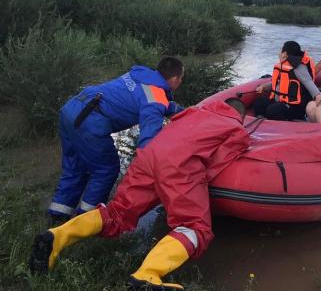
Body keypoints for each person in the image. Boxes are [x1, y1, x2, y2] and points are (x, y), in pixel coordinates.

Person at [29, 98, 250, 291]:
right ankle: (148, 274)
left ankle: (57, 237)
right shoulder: (235, 128)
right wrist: (188, 188)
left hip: (148, 157)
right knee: (195, 227)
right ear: (239, 116)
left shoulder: (192, 112)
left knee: (117, 212)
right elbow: (216, 166)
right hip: (179, 167)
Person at [48, 57, 185, 223]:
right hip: (90, 120)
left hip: (71, 109)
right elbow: (149, 140)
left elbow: (142, 97)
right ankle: (87, 221)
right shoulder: (155, 98)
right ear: (175, 79)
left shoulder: (140, 75)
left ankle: (57, 216)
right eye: (181, 79)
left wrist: (178, 110)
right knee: (106, 169)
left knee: (75, 165)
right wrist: (149, 169)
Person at [254, 41, 320, 121]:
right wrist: (264, 86)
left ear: (284, 53)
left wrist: (320, 100)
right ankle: (261, 123)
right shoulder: (284, 65)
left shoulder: (299, 68)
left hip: (295, 107)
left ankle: (289, 124)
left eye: (280, 50)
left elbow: (313, 89)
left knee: (273, 110)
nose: (279, 53)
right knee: (259, 102)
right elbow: (279, 83)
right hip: (281, 101)